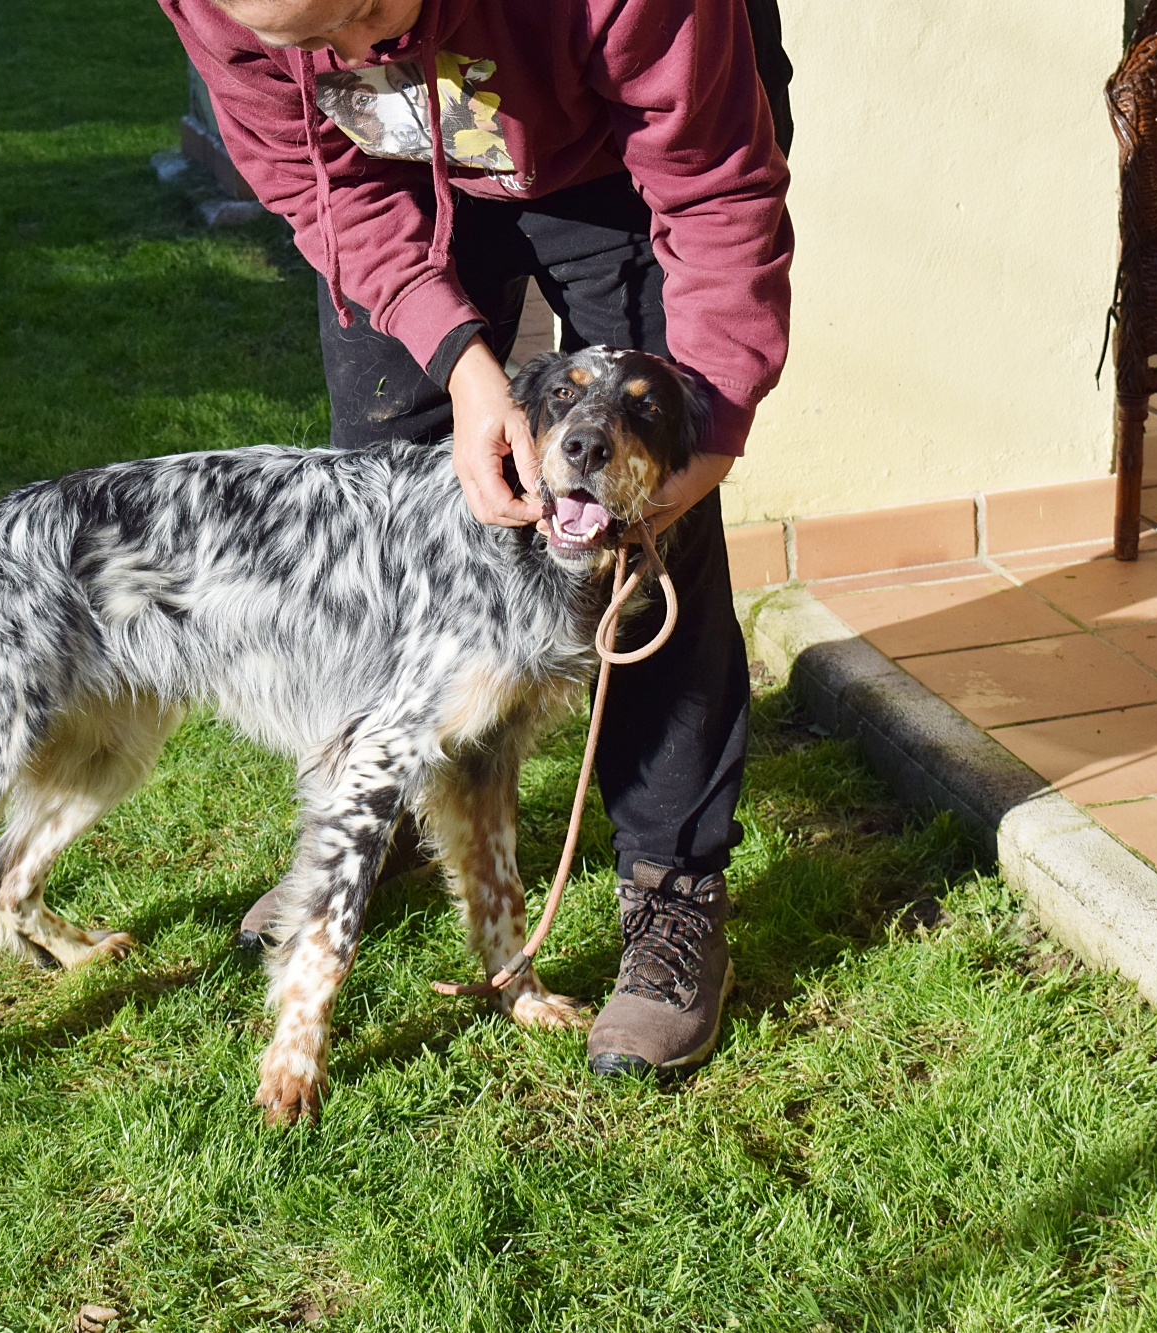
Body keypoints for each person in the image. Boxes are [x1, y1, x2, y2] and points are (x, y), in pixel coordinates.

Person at [160, 0, 793, 1079]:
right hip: (394, 177)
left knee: (653, 530)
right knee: (383, 482)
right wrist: (459, 361)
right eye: (314, 45)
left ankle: (672, 893)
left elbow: (714, 188)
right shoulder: (233, 14)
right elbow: (312, 176)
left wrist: (714, 438)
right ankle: (389, 815)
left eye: (365, 11)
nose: (352, 56)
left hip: (619, 159)